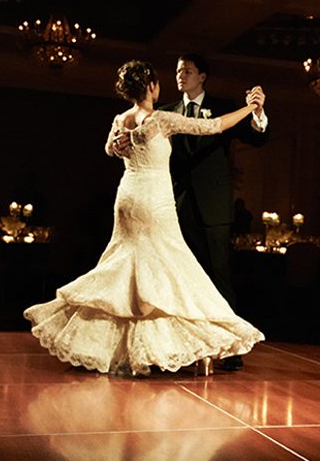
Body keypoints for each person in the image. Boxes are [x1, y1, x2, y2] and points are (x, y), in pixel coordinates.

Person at [24, 60, 264, 376]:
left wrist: (117, 145)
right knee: (171, 266)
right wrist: (249, 109)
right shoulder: (161, 119)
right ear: (151, 86)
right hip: (154, 200)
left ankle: (126, 348)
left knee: (127, 266)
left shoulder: (121, 119)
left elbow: (110, 149)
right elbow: (214, 126)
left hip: (126, 198)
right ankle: (181, 345)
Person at [161, 53, 269, 371]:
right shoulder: (166, 111)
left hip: (214, 206)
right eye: (178, 70)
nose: (181, 75)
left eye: (188, 70)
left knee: (219, 277)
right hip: (175, 206)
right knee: (179, 278)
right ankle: (181, 346)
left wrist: (257, 113)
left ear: (202, 76)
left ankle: (230, 348)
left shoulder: (224, 107)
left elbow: (256, 137)